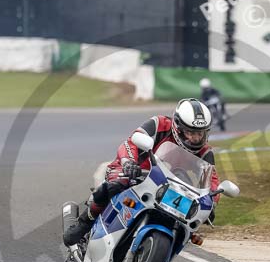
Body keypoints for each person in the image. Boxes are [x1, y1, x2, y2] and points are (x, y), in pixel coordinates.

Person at [63, 98, 220, 246]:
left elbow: (211, 180)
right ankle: (84, 224)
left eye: (200, 133)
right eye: (191, 132)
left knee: (186, 223)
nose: (195, 138)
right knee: (116, 184)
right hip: (134, 170)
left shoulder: (205, 152)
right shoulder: (159, 124)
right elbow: (131, 141)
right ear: (178, 127)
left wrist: (211, 203)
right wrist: (128, 162)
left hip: (166, 186)